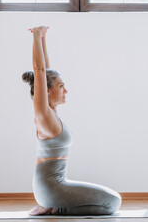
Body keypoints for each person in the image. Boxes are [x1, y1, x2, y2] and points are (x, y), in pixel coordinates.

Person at [22, 26, 122, 216]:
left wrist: (43, 39)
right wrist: (35, 35)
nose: (66, 90)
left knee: (112, 201)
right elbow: (40, 71)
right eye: (61, 86)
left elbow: (46, 71)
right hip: (51, 188)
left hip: (55, 186)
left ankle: (54, 206)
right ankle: (56, 208)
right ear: (48, 91)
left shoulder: (51, 112)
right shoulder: (43, 115)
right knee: (113, 202)